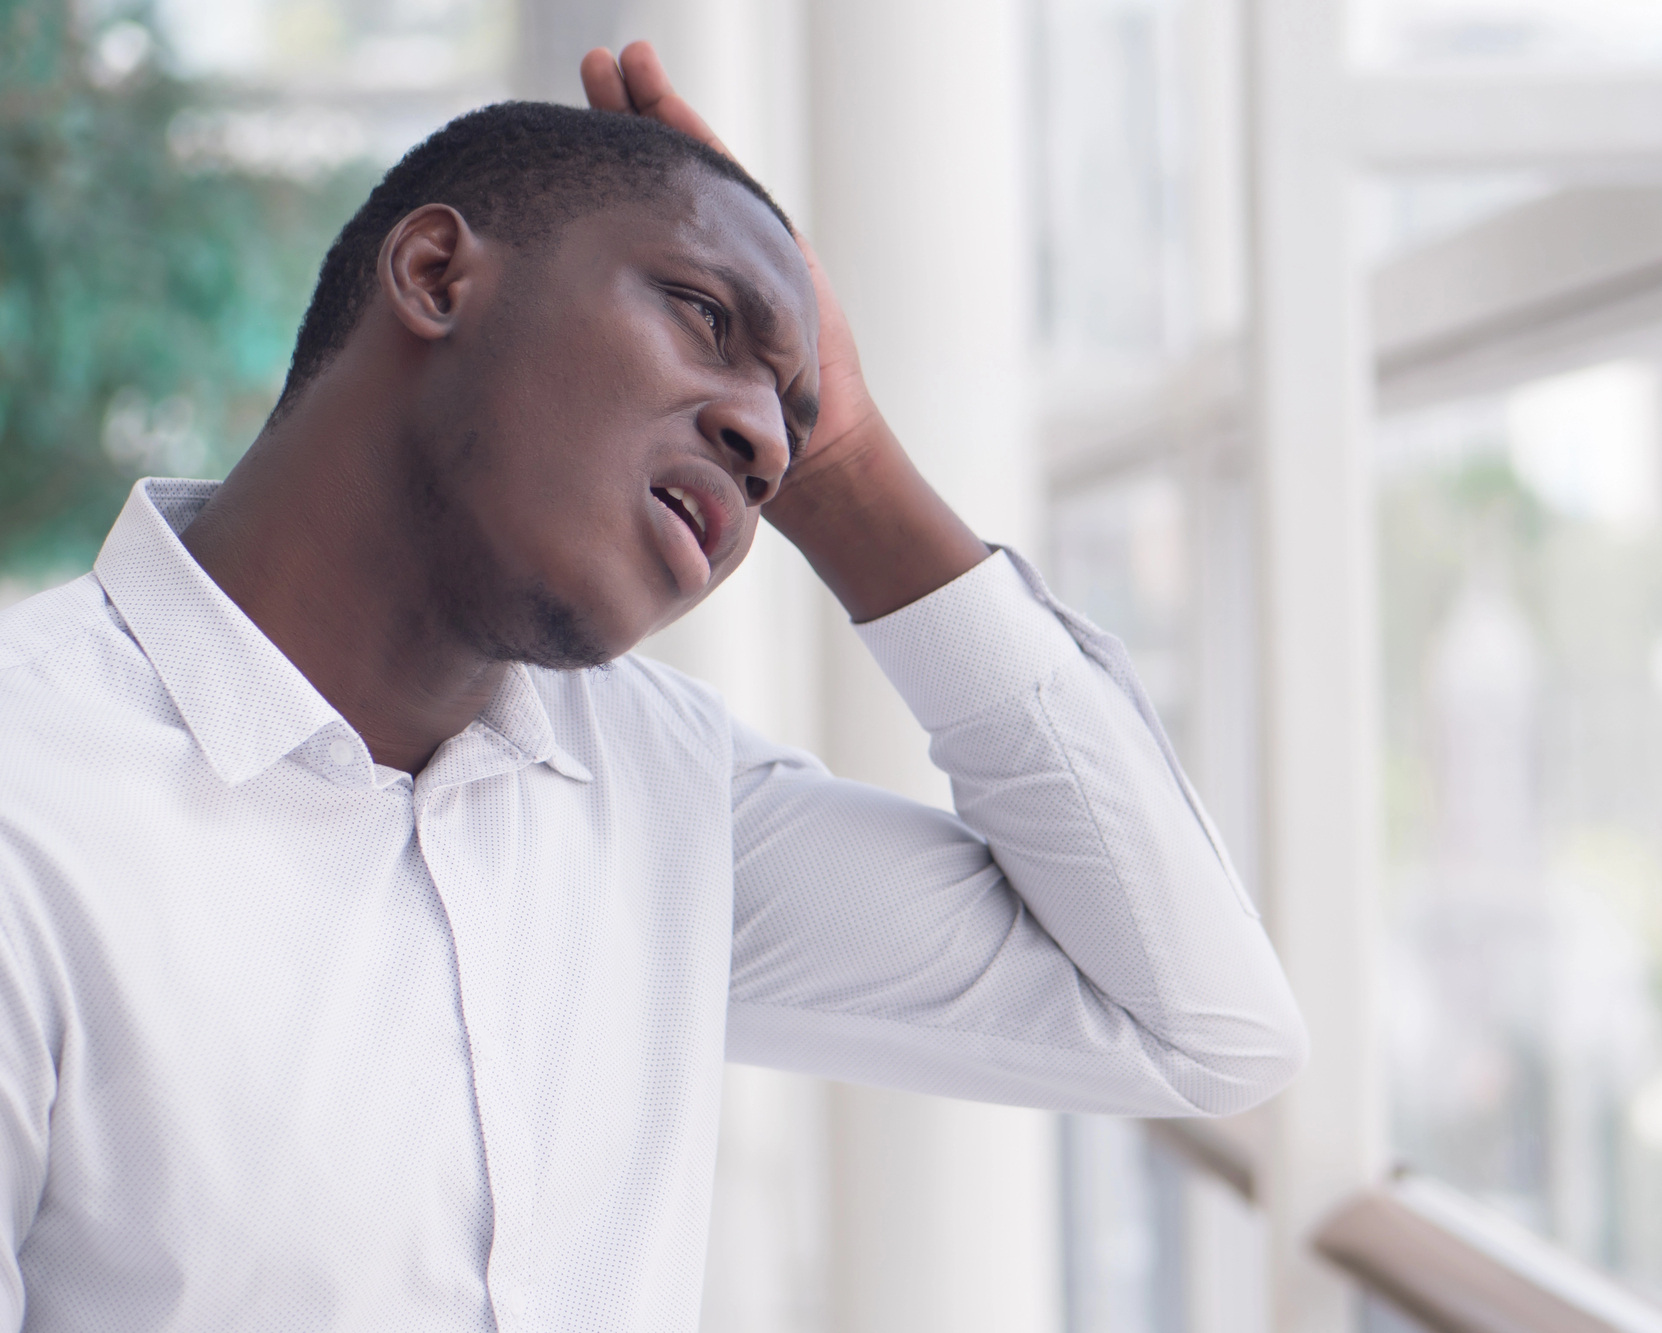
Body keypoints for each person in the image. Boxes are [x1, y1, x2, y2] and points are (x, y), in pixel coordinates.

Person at [0, 41, 1306, 1331]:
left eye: (794, 424)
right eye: (703, 315)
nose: (764, 440)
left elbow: (1201, 1024)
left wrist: (852, 475)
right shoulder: (34, 796)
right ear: (438, 271)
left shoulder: (664, 795)